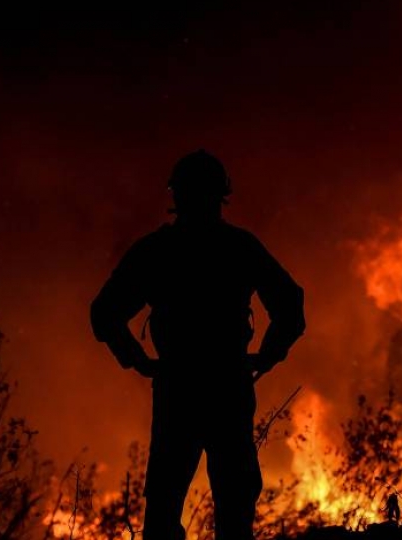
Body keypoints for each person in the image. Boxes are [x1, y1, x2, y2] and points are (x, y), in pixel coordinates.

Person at [90, 150, 305, 540]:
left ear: (177, 194)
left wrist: (139, 360)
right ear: (221, 195)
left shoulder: (157, 251)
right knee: (233, 502)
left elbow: (104, 313)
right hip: (227, 385)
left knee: (167, 500)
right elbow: (290, 306)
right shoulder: (238, 247)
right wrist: (266, 357)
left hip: (179, 386)